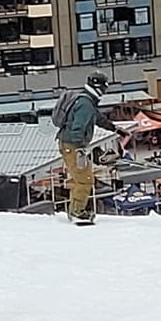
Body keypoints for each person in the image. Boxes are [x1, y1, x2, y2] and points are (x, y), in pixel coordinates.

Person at [52, 72, 112, 225]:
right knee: (85, 180)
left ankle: (75, 210)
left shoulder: (86, 100)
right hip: (72, 146)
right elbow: (77, 128)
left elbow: (97, 118)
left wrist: (114, 128)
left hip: (69, 144)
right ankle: (77, 212)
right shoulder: (86, 104)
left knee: (81, 178)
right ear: (99, 87)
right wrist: (79, 148)